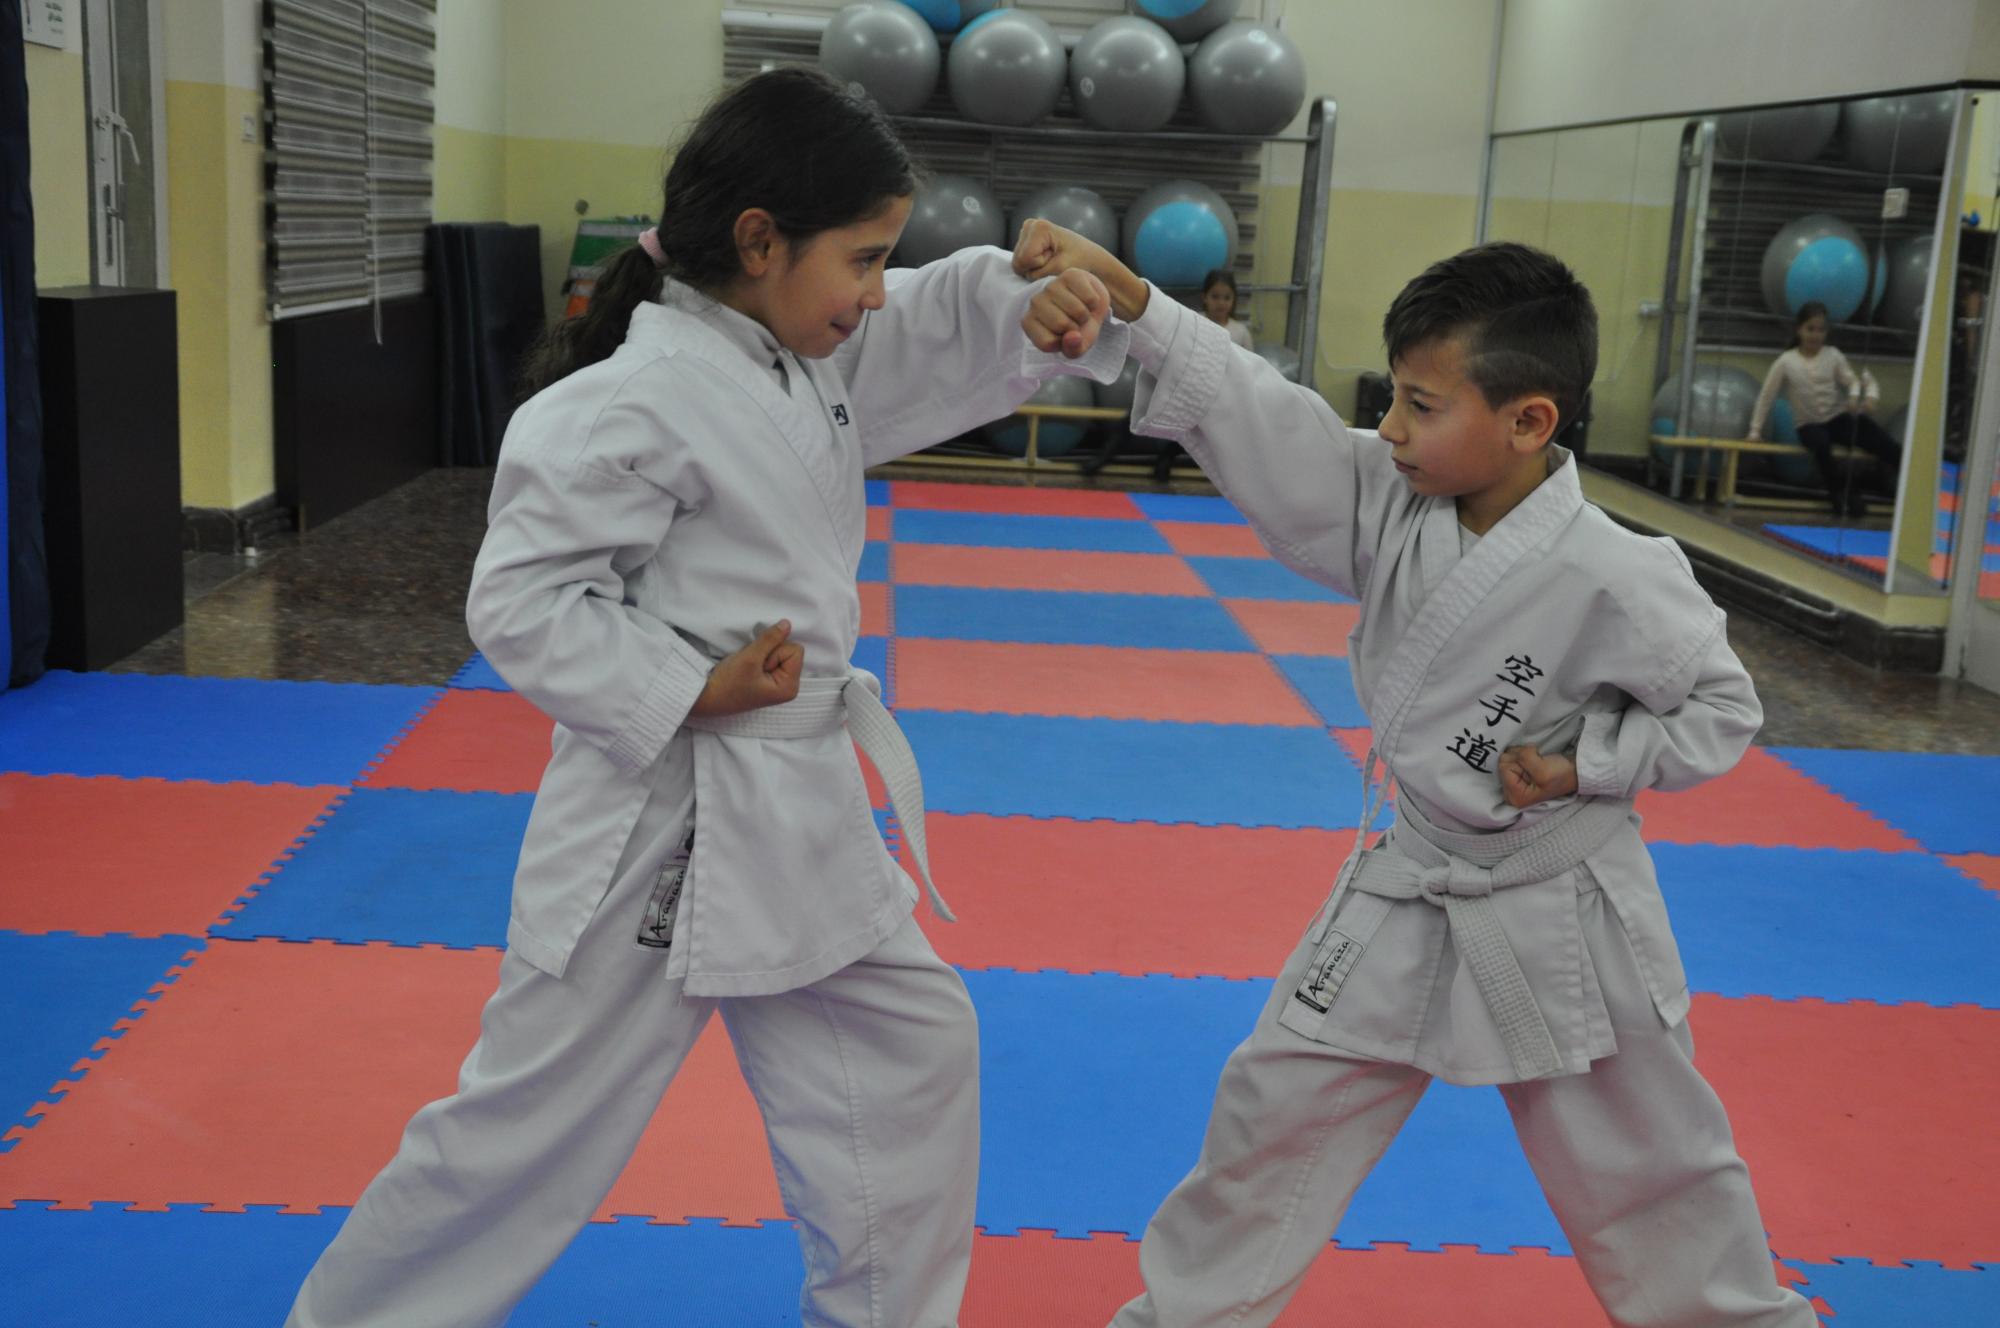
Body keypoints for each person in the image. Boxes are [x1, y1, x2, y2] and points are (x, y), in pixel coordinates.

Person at [285, 69, 1124, 1328]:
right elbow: (520, 604)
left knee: (910, 1053)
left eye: (887, 258)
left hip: (793, 810)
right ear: (757, 242)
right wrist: (694, 684)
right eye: (861, 258)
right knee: (524, 1132)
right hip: (659, 819)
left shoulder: (797, 358)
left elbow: (925, 325)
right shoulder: (629, 401)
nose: (875, 288)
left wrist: (1027, 298)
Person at [1013, 222, 1816, 1328]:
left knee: (1647, 1154)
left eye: (1418, 406)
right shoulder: (1389, 498)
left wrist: (1588, 761)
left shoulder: (1618, 575)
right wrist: (1143, 307)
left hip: (1559, 899)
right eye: (1390, 397)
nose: (1386, 427)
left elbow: (1724, 707)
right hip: (1412, 876)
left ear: (1528, 419)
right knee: (1271, 1110)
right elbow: (1262, 414)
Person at [1747, 300, 1902, 517]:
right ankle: (1841, 494)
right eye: (1810, 329)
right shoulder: (1786, 361)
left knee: (1876, 437)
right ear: (1799, 329)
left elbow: (1852, 381)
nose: (1815, 335)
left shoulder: (1833, 355)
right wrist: (1755, 430)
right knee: (1821, 445)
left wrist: (1857, 398)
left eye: (1821, 330)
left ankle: (1908, 481)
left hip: (1836, 417)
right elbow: (1767, 396)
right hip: (1808, 425)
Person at [1201, 266, 1257, 351]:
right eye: (1215, 296)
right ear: (1204, 297)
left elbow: (1250, 363)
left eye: (1227, 298)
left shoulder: (1241, 332)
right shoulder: (1195, 324)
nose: (1221, 303)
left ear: (1233, 299)